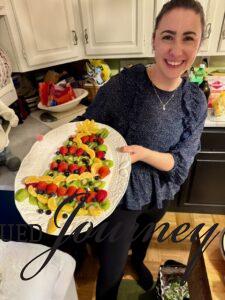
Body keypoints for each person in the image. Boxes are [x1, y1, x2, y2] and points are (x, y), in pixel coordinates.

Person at [73, 0, 207, 299]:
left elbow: (181, 163)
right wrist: (58, 138)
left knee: (145, 236)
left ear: (199, 44)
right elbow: (88, 124)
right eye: (168, 36)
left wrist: (144, 154)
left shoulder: (195, 100)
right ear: (154, 40)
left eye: (188, 38)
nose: (176, 51)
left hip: (160, 193)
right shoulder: (125, 85)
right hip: (122, 195)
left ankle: (138, 261)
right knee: (111, 268)